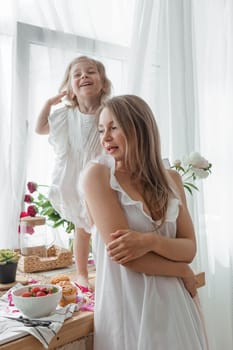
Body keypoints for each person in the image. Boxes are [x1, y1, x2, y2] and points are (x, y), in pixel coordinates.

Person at [79, 95, 209, 350]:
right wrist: (181, 270)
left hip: (176, 307)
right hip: (128, 307)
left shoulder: (172, 179)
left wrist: (149, 240)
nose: (105, 138)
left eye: (114, 127)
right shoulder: (98, 175)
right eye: (102, 129)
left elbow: (189, 249)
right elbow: (126, 256)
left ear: (139, 127)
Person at [35, 56, 112, 288]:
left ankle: (106, 271)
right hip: (74, 176)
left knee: (105, 227)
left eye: (90, 72)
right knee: (82, 229)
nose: (84, 76)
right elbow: (40, 128)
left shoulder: (108, 111)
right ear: (69, 87)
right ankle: (81, 273)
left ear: (103, 84)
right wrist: (49, 104)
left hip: (101, 176)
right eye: (77, 75)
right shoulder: (65, 115)